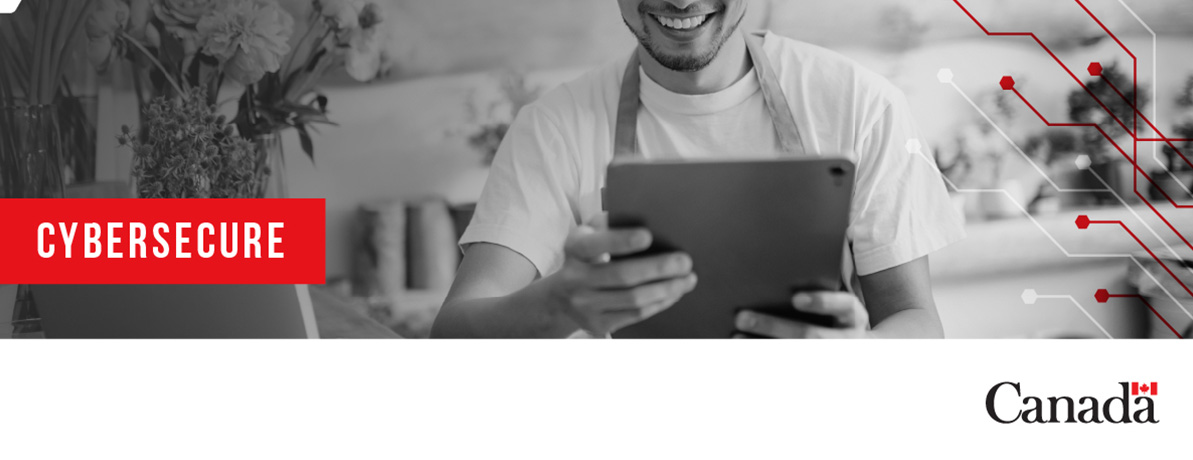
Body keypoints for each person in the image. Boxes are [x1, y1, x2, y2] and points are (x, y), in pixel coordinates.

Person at [431, 0, 965, 338]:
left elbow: (917, 323)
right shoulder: (553, 127)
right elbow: (453, 335)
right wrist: (558, 303)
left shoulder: (861, 105)